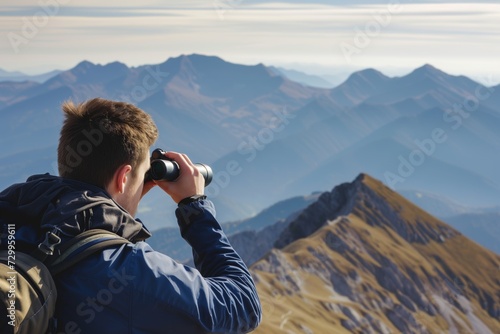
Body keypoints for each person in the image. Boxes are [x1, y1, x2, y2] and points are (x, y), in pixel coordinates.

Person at [0, 98, 262, 333]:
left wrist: (118, 206)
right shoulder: (127, 271)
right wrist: (194, 205)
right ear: (124, 177)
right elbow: (242, 305)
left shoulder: (12, 213)